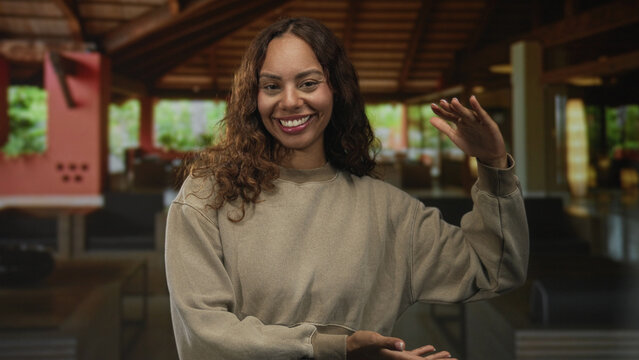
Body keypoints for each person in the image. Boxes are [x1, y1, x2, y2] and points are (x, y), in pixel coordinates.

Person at [165, 17, 529, 360]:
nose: (290, 101)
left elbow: (493, 267)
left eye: (308, 83)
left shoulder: (387, 210)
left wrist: (494, 166)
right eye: (272, 86)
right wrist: (332, 347)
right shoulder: (206, 196)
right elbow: (203, 335)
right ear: (253, 96)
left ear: (336, 89)